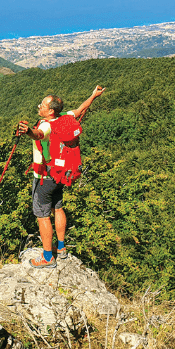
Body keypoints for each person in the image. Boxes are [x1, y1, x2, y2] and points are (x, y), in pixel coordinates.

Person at [17, 85, 105, 268]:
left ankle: (48, 257)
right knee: (58, 208)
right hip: (60, 175)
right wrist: (93, 95)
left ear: (50, 110)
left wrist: (28, 132)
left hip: (44, 177)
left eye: (42, 105)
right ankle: (61, 249)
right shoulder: (65, 117)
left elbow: (38, 134)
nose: (39, 106)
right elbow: (81, 109)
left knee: (42, 216)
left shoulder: (46, 125)